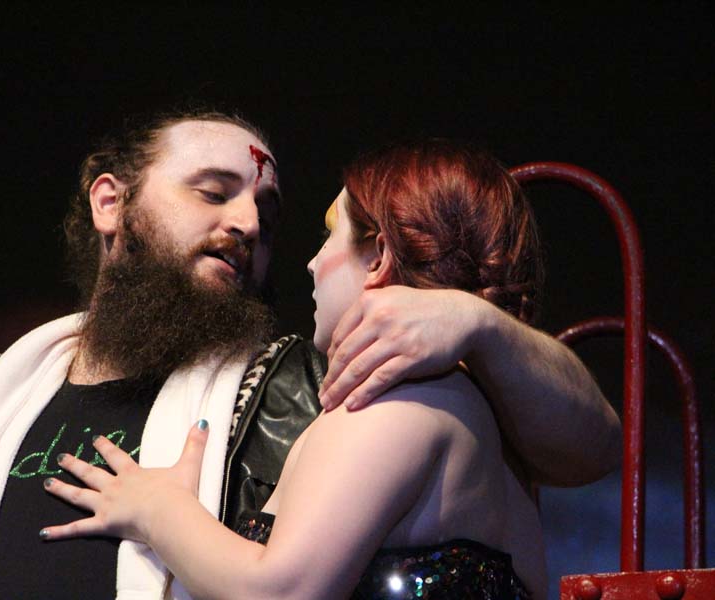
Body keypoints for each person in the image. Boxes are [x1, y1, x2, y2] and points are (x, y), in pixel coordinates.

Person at [0, 111, 619, 600]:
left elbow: (590, 445)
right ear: (110, 203)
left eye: (267, 210)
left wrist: (477, 323)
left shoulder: (331, 384)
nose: (250, 224)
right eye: (213, 191)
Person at [43, 139, 554, 598]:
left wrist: (160, 510)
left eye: (330, 234)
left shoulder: (397, 399)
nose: (311, 263)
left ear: (378, 257)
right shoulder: (495, 418)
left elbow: (281, 591)